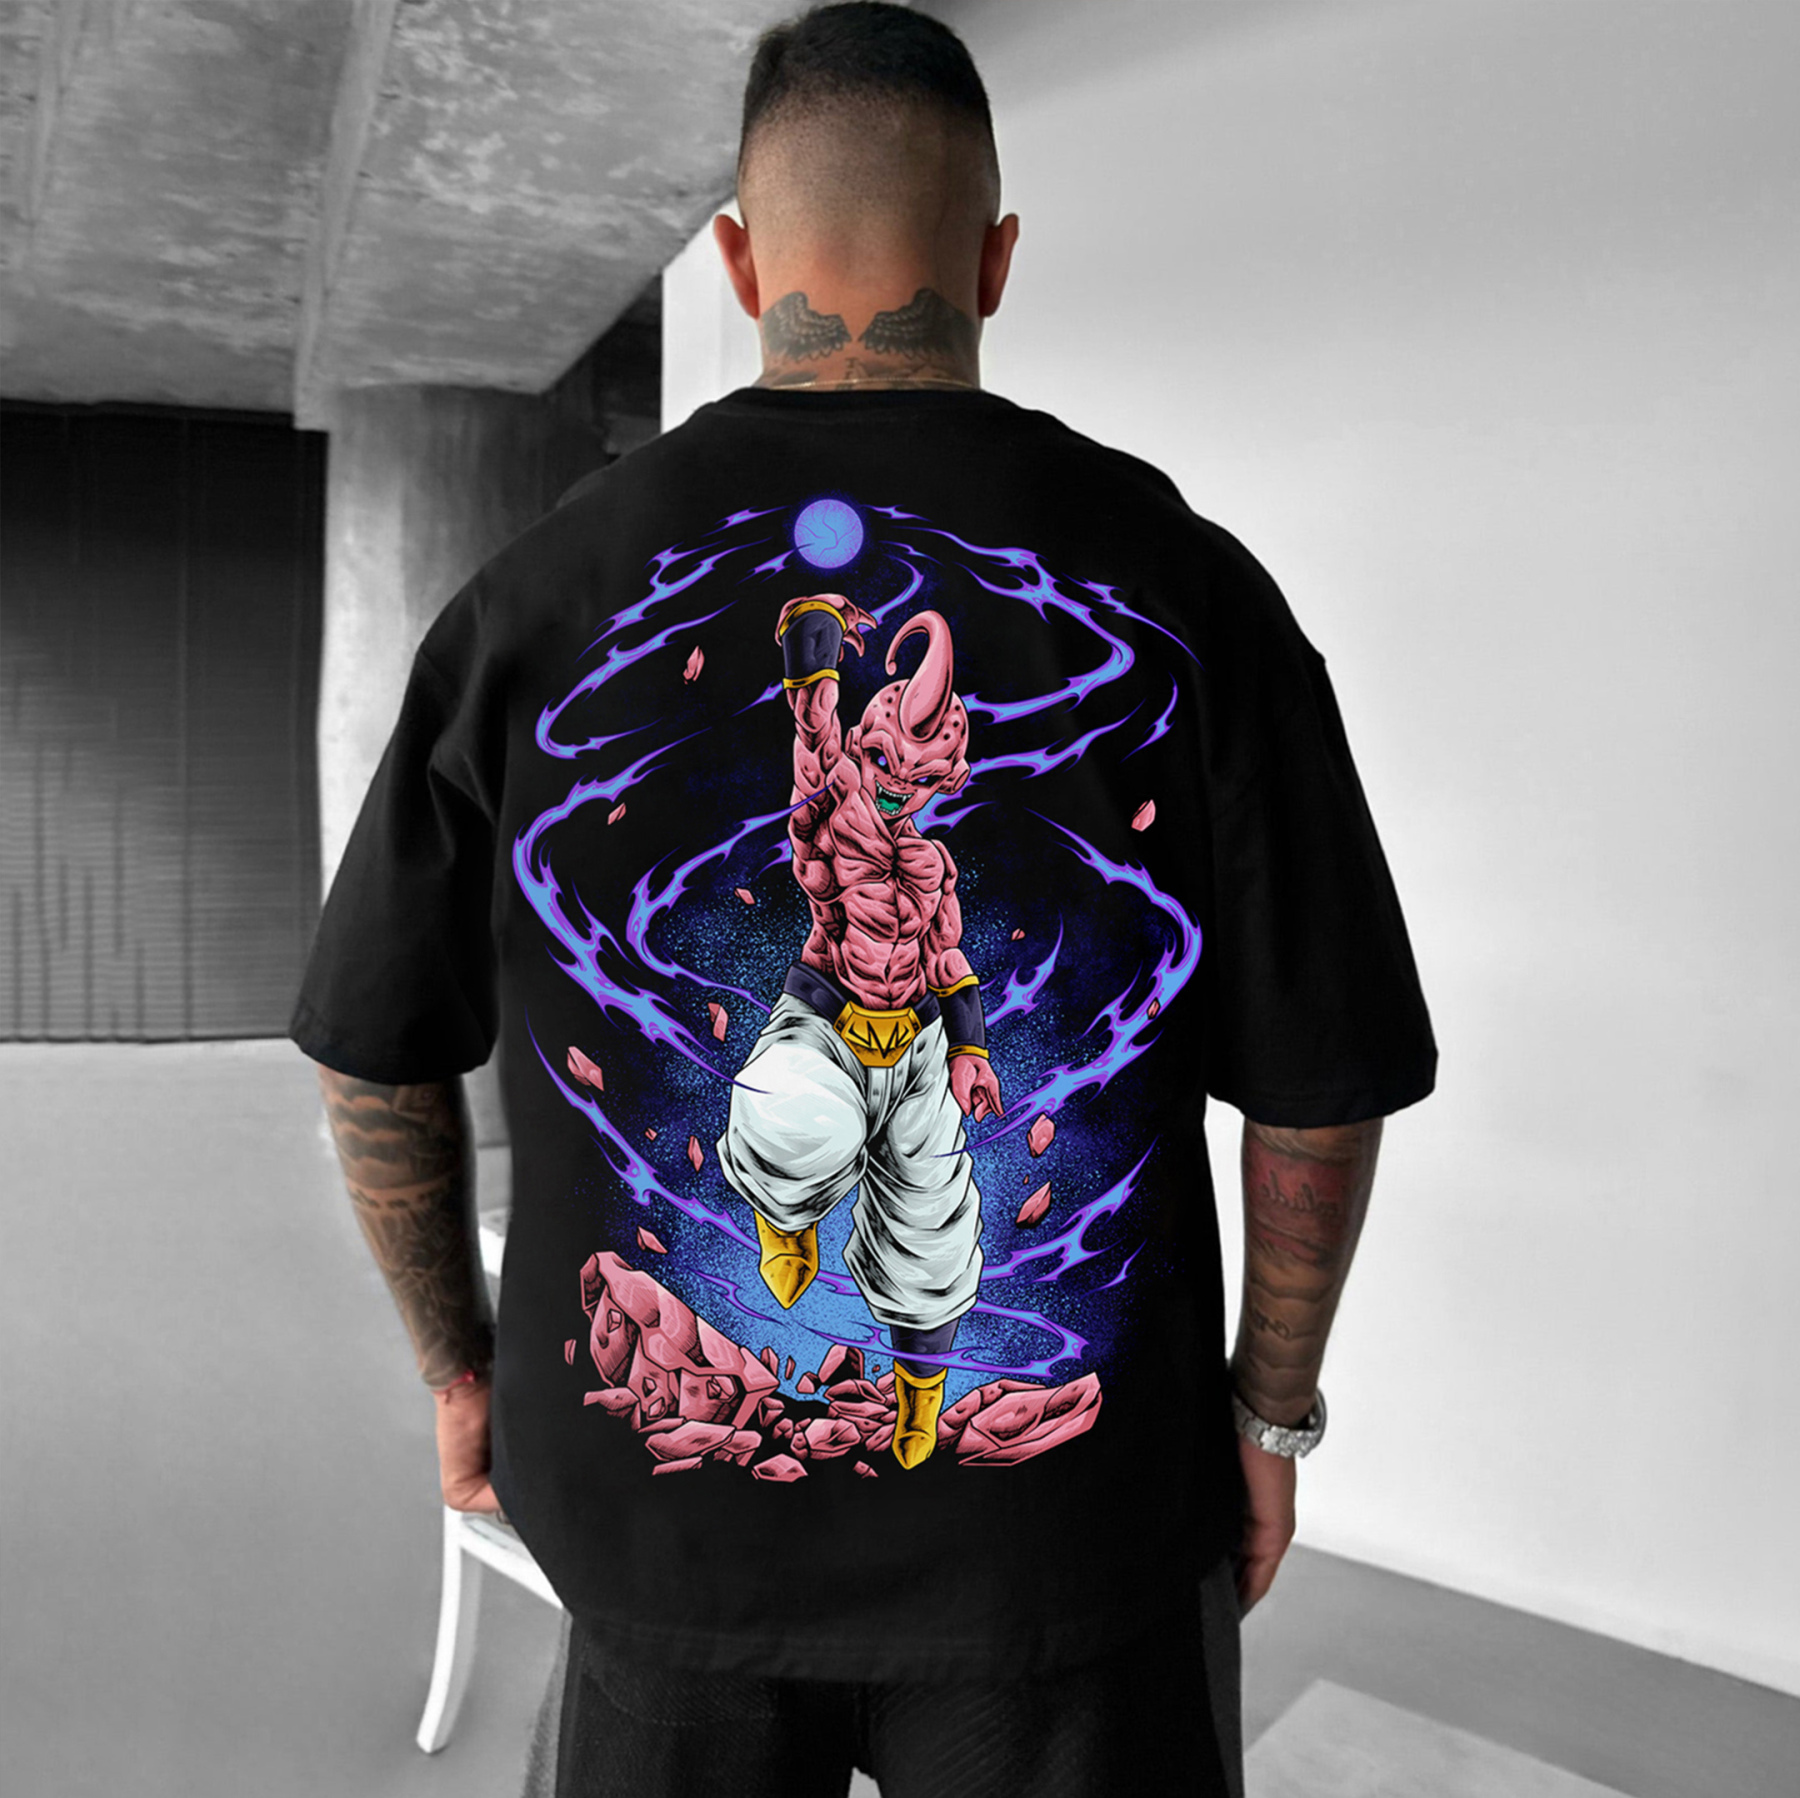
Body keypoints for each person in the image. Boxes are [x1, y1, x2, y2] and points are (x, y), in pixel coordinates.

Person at [292, 6, 1436, 1795]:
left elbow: (374, 1051)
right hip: (1067, 1571)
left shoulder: (529, 597)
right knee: (783, 1122)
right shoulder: (1189, 586)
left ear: (738, 260)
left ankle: (904, 1382)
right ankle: (783, 1231)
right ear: (996, 260)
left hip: (677, 1567)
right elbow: (1321, 1082)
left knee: (936, 1234)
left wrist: (464, 1370)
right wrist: (1269, 1414)